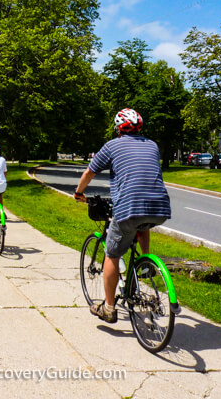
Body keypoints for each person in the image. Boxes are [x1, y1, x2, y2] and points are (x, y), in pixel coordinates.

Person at [73, 108, 171, 324]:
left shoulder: (112, 145)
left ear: (118, 128)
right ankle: (145, 263)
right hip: (160, 208)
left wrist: (79, 193)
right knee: (141, 225)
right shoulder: (152, 145)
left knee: (112, 255)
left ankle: (108, 308)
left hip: (129, 208)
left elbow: (89, 172)